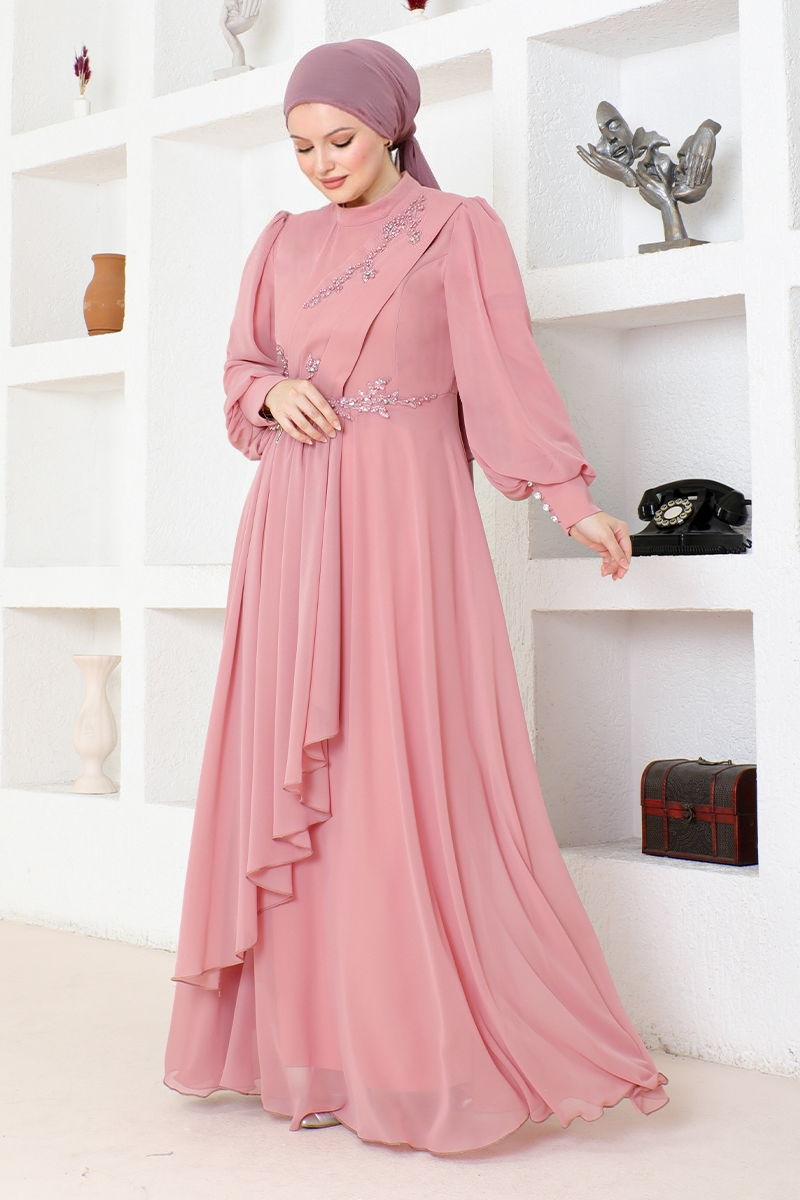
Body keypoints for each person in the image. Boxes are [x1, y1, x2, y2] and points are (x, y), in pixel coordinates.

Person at [162, 37, 670, 1154]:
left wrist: (569, 499)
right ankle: (308, 1052)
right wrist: (271, 392)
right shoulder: (279, 242)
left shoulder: (456, 229)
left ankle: (407, 1052)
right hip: (291, 531)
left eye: (339, 139)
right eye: (300, 146)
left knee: (393, 766)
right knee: (305, 781)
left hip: (405, 535)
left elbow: (502, 377)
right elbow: (239, 372)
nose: (320, 164)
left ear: (391, 124)